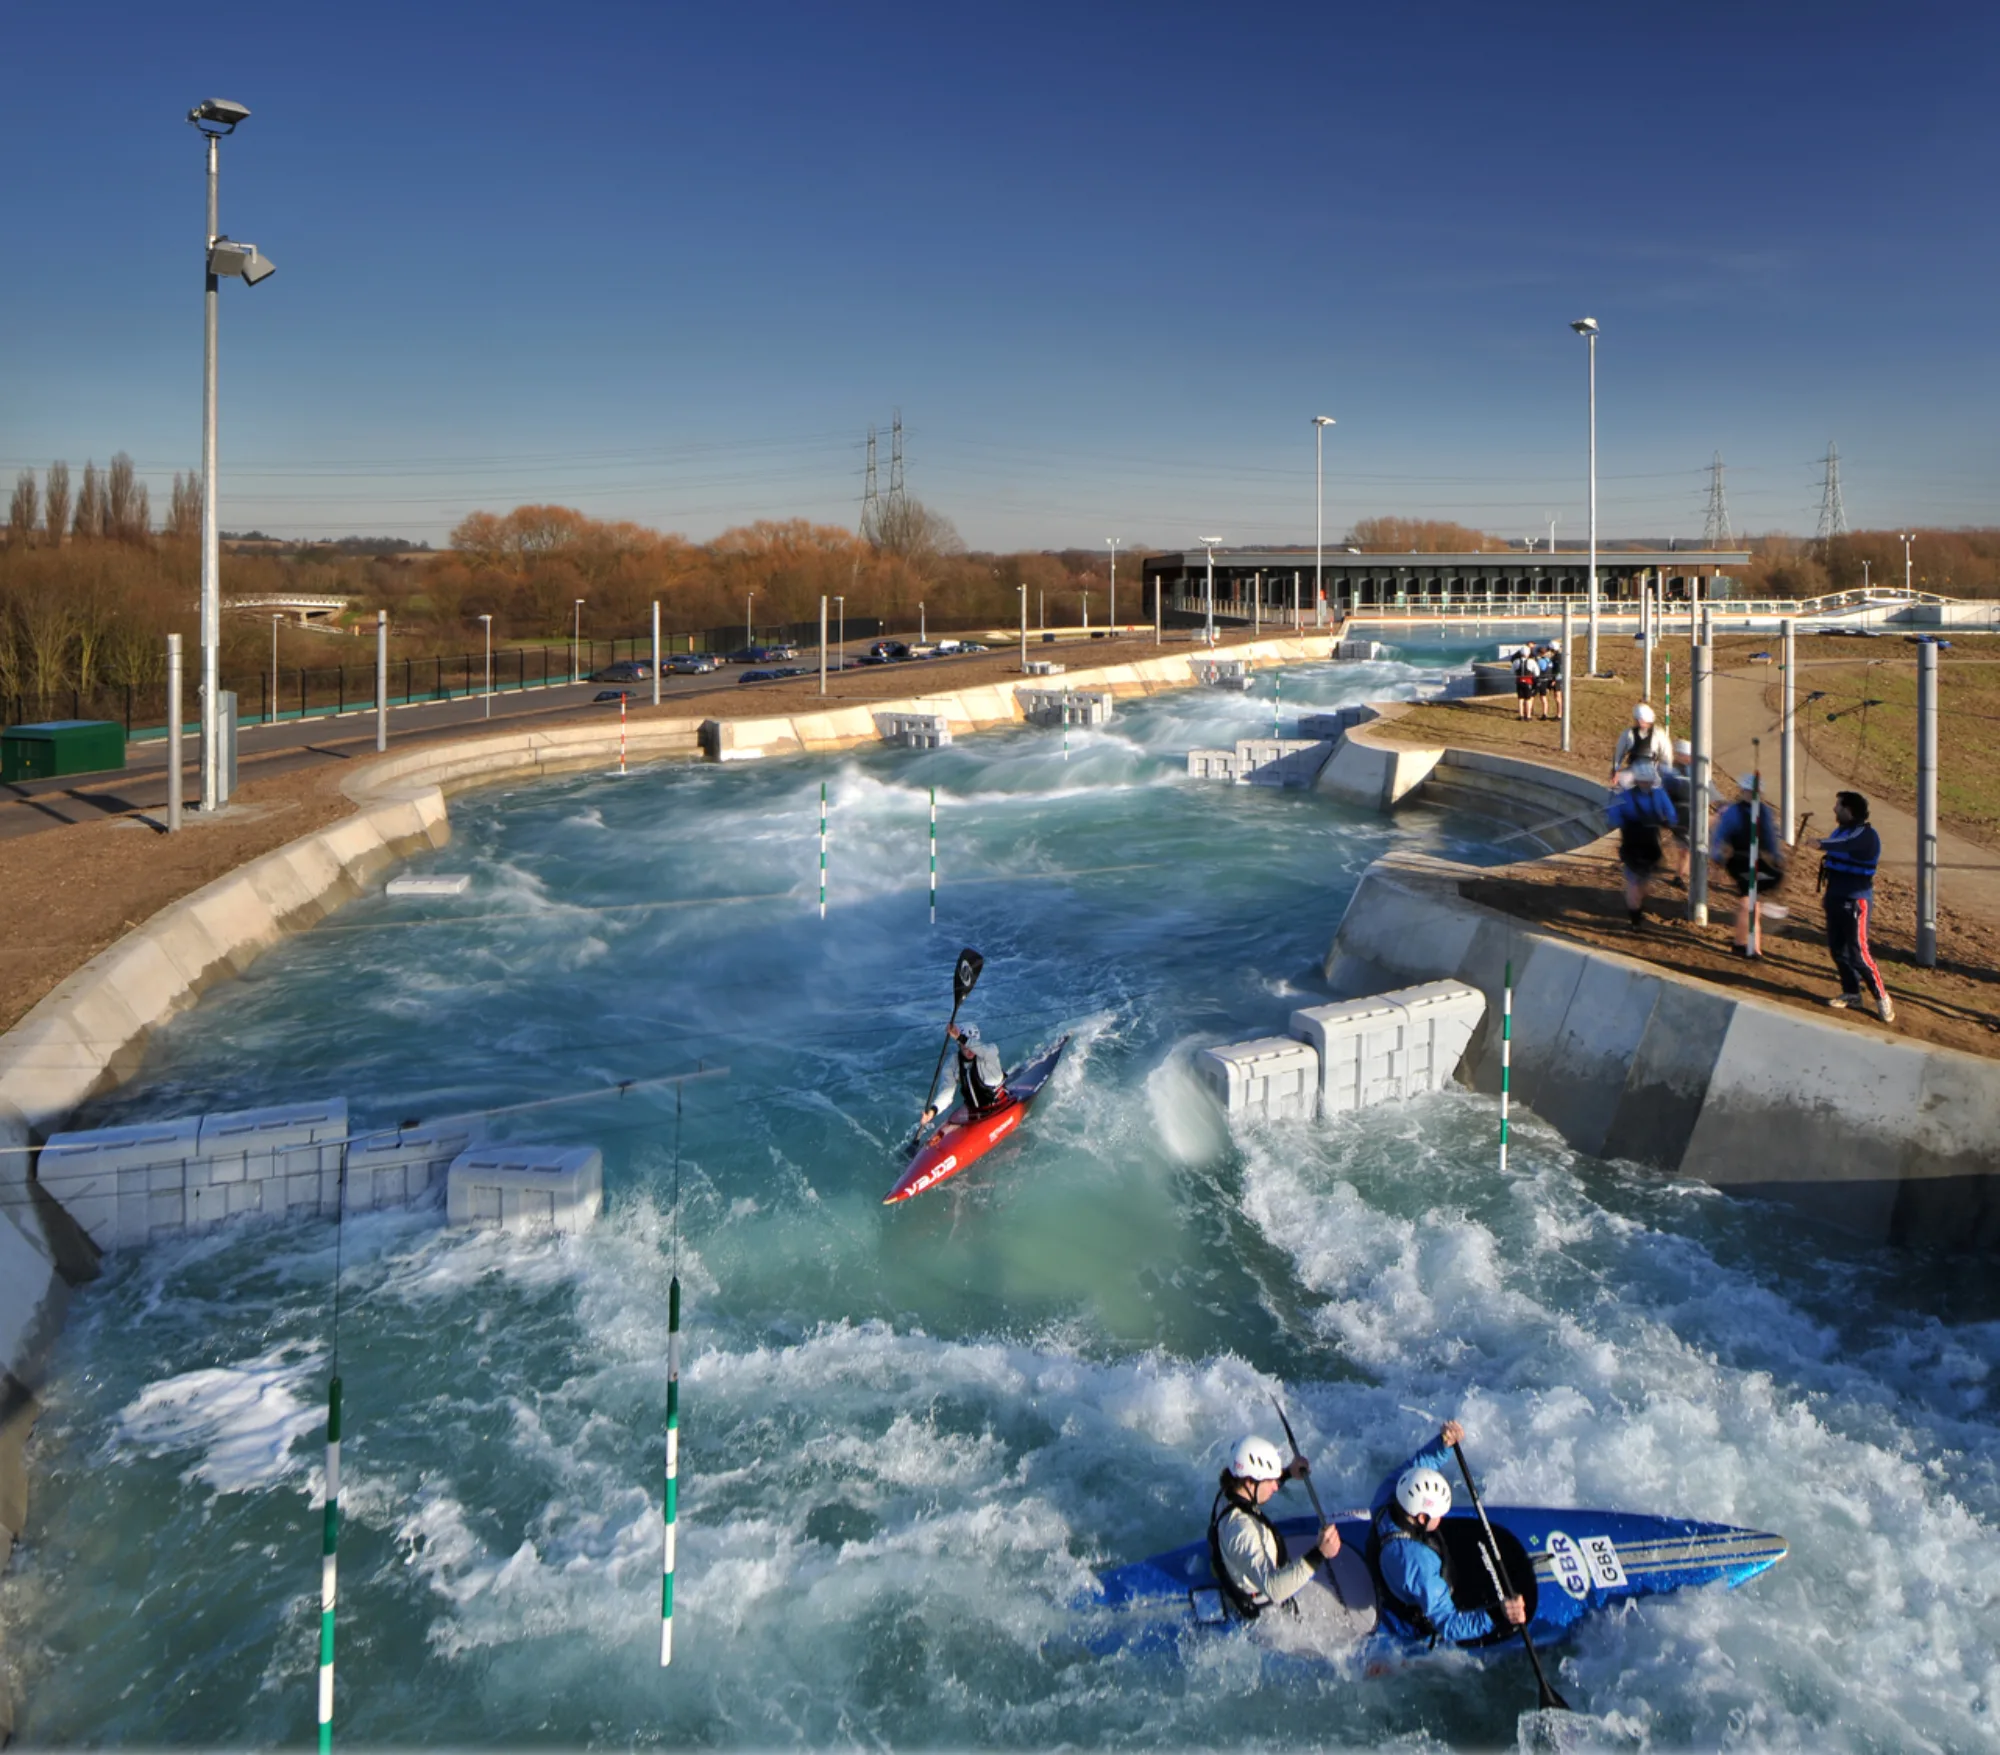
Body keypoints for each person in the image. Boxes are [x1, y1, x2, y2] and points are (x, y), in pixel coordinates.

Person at [1369, 1418, 1525, 1645]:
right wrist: (1497, 1614)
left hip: (1396, 1560)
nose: (1442, 1518)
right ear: (1421, 1518)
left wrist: (1442, 1445)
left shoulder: (1388, 1495)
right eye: (1438, 1514)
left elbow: (1417, 1466)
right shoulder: (1418, 1564)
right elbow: (1449, 1624)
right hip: (1412, 1610)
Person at [1206, 1433, 1342, 1622]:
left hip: (1245, 1573)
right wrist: (1320, 1553)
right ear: (1249, 1482)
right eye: (1270, 1481)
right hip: (1264, 1614)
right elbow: (1275, 1588)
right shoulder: (1242, 1531)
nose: (1276, 1487)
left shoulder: (1229, 1492)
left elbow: (1258, 1489)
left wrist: (1287, 1473)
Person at [1818, 790, 1894, 1023]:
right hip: (1836, 897)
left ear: (1849, 810)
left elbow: (1843, 845)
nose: (1834, 809)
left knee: (1859, 954)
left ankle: (1882, 998)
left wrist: (1819, 843)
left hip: (1855, 901)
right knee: (1837, 949)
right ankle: (1852, 993)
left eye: (1838, 806)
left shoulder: (1865, 835)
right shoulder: (1841, 830)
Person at [1710, 775, 1786, 957]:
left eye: (1756, 792)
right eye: (1749, 791)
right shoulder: (1733, 812)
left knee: (1754, 903)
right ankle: (1748, 946)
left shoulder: (1764, 812)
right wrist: (1717, 856)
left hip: (1758, 860)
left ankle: (1745, 944)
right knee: (1748, 903)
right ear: (1742, 791)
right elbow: (1720, 835)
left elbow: (1769, 836)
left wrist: (1776, 855)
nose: (1752, 795)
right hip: (1739, 860)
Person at [1608, 766, 1674, 929]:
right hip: (1651, 845)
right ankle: (1638, 908)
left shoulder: (1624, 797)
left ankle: (1635, 918)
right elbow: (1672, 816)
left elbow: (1612, 819)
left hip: (1631, 845)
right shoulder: (1659, 795)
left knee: (1632, 880)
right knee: (1645, 881)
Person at [921, 1023, 1005, 1127]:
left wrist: (960, 1037)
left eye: (973, 1046)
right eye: (965, 1047)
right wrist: (933, 1111)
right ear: (959, 1045)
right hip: (974, 1112)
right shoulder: (952, 1064)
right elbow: (946, 1093)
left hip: (1001, 1105)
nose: (970, 1051)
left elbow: (984, 1050)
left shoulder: (990, 1052)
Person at [1610, 703, 1670, 780]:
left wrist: (1667, 773)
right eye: (1637, 720)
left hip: (1652, 773)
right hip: (1632, 772)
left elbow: (1666, 755)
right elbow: (1619, 753)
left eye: (1641, 720)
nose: (1639, 722)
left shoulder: (1659, 734)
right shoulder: (1628, 734)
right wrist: (1615, 770)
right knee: (1620, 785)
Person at [1513, 647, 1540, 722]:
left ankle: (1521, 715)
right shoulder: (1532, 662)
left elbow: (1512, 672)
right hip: (1528, 682)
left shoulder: (1516, 661)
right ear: (1528, 654)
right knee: (1528, 699)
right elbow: (1537, 673)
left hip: (1519, 682)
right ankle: (1528, 716)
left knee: (1520, 699)